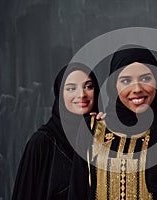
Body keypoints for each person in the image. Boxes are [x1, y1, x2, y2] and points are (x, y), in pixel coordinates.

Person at [68, 46, 157, 199]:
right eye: (126, 80)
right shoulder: (93, 128)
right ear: (114, 86)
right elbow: (78, 191)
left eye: (145, 79)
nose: (137, 88)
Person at [12, 63, 101, 200]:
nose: (82, 94)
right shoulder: (42, 143)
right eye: (71, 88)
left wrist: (107, 131)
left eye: (88, 87)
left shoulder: (103, 138)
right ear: (60, 94)